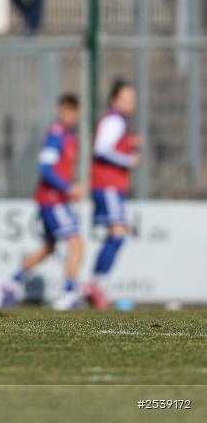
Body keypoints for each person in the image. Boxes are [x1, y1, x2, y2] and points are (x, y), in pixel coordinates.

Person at [9, 94, 83, 310]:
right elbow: (46, 169)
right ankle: (69, 294)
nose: (68, 115)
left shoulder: (69, 136)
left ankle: (13, 281)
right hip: (53, 200)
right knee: (77, 245)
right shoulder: (56, 135)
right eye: (65, 110)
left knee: (49, 247)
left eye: (72, 111)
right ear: (60, 111)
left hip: (56, 199)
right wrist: (68, 188)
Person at [85, 80, 140, 310]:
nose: (132, 103)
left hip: (111, 186)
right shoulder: (115, 119)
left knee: (116, 234)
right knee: (118, 234)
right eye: (128, 98)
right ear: (115, 100)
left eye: (133, 99)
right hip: (108, 185)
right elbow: (101, 149)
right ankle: (97, 285)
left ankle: (97, 285)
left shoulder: (119, 122)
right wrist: (128, 159)